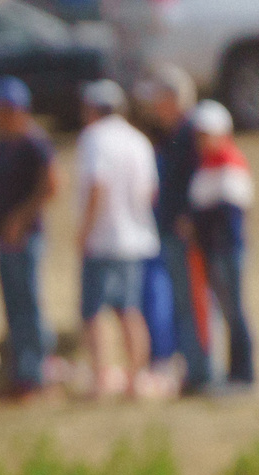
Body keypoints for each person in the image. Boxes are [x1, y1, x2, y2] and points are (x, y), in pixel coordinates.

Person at [75, 79, 159, 398]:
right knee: (130, 310)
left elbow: (99, 185)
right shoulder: (138, 140)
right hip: (135, 237)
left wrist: (84, 230)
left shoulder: (94, 138)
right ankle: (134, 380)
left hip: (103, 237)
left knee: (94, 311)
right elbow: (151, 191)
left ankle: (100, 379)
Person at [0, 78, 55, 399]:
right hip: (2, 237)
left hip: (25, 237)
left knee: (29, 305)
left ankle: (36, 374)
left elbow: (52, 185)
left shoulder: (33, 143)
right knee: (12, 306)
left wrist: (20, 219)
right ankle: (18, 371)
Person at [141, 68, 210, 393]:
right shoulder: (170, 136)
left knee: (194, 303)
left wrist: (188, 216)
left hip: (185, 233)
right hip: (167, 230)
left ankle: (201, 370)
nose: (153, 105)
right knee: (182, 303)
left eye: (158, 98)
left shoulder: (190, 133)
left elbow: (199, 178)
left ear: (172, 99)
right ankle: (190, 367)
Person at [188, 99, 254, 391]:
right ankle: (232, 374)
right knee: (226, 313)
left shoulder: (229, 162)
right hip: (214, 251)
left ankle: (244, 375)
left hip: (227, 251)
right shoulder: (207, 164)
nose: (201, 141)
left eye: (206, 134)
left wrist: (201, 228)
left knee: (235, 312)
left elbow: (230, 215)